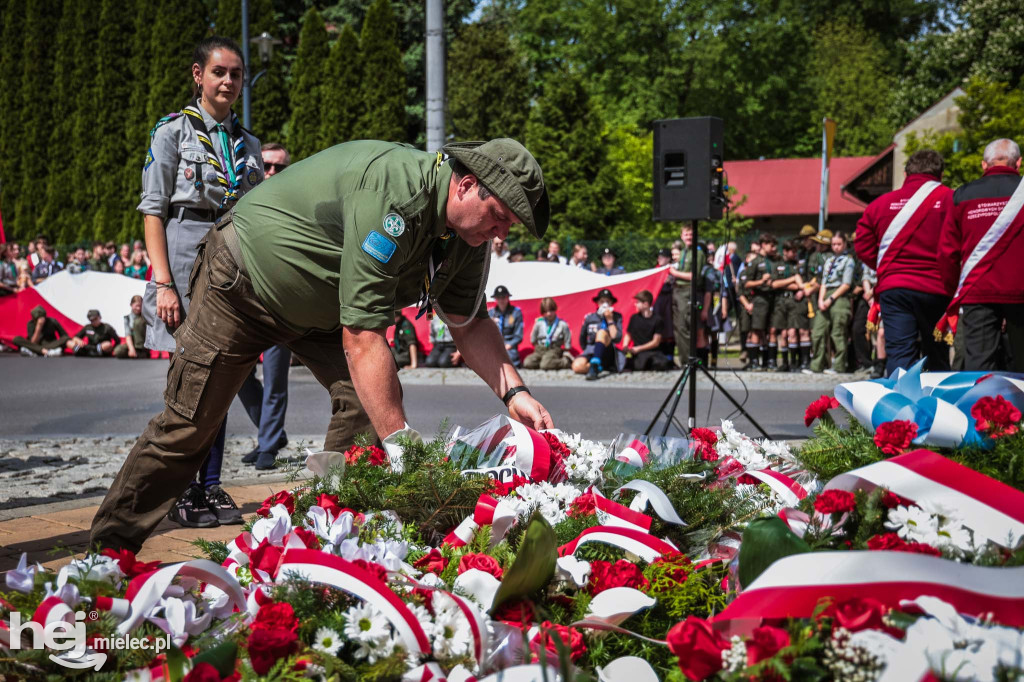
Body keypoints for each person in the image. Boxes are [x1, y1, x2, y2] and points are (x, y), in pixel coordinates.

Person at [90, 135, 552, 553]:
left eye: (509, 225)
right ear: (467, 185)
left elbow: (469, 326)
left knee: (362, 403)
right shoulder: (397, 195)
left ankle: (324, 538)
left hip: (320, 305)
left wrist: (516, 394)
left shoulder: (467, 237)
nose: (501, 234)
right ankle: (107, 553)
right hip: (244, 282)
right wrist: (402, 447)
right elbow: (362, 338)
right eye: (499, 218)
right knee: (190, 425)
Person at [133, 36, 264, 528]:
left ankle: (210, 484)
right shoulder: (171, 133)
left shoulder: (247, 144)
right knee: (188, 377)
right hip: (185, 248)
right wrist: (163, 282)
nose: (228, 81)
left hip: (232, 256)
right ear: (198, 75)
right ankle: (182, 489)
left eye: (235, 74)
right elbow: (152, 210)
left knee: (223, 375)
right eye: (218, 72)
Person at [855, 150, 952, 375]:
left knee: (899, 353)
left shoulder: (879, 205)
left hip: (895, 287)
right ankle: (939, 406)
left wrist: (887, 268)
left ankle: (902, 407)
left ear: (906, 172)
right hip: (936, 287)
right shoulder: (950, 199)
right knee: (937, 353)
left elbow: (862, 245)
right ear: (941, 174)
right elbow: (959, 246)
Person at [938, 138, 1024, 371]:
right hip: (1020, 290)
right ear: (1018, 163)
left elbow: (947, 252)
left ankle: (981, 407)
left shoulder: (962, 195)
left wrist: (953, 289)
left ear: (984, 165)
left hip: (977, 291)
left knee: (979, 365)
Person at [237, 142, 293, 472]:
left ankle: (268, 444)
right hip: (244, 302)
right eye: (266, 165)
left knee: (274, 380)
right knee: (240, 376)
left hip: (281, 303)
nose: (271, 172)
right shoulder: (244, 200)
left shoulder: (296, 204)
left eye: (279, 167)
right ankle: (272, 434)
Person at [809, 231, 855, 374]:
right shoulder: (828, 261)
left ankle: (839, 366)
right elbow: (823, 282)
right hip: (826, 295)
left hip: (839, 297)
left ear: (845, 244)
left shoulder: (849, 261)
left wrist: (830, 299)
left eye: (839, 244)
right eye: (833, 244)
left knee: (838, 333)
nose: (835, 247)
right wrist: (821, 300)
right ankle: (817, 365)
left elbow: (846, 284)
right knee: (818, 331)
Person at [741, 233, 777, 371]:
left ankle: (768, 361)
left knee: (770, 330)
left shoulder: (773, 261)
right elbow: (746, 283)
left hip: (772, 299)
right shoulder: (755, 262)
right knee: (756, 330)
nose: (773, 248)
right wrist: (761, 281)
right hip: (760, 299)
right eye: (771, 245)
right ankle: (754, 361)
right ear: (763, 245)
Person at [573, 288, 626, 380]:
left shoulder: (617, 317)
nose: (605, 304)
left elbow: (617, 338)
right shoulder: (590, 318)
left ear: (611, 303)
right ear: (597, 303)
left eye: (607, 301)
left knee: (601, 333)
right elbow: (582, 337)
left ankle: (595, 365)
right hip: (592, 350)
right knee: (577, 366)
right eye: (602, 301)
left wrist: (610, 320)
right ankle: (596, 366)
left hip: (608, 352)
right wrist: (586, 349)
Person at [669, 224, 703, 367]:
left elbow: (694, 276)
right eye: (686, 234)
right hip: (677, 291)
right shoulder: (682, 253)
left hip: (688, 291)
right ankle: (683, 360)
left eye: (691, 234)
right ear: (682, 236)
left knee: (685, 326)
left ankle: (689, 360)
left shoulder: (698, 253)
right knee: (677, 327)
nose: (688, 237)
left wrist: (675, 274)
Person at [770, 241, 803, 372]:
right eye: (792, 251)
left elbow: (800, 285)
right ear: (785, 251)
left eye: (796, 251)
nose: (795, 254)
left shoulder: (797, 265)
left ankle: (793, 363)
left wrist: (787, 283)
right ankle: (784, 362)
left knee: (792, 332)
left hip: (793, 301)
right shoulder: (777, 265)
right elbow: (774, 284)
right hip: (780, 301)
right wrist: (792, 279)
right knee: (782, 333)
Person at [624, 289, 670, 371]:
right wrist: (625, 346)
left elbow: (656, 342)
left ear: (645, 304)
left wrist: (639, 348)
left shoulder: (657, 319)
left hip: (652, 351)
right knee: (635, 363)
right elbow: (628, 334)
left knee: (661, 363)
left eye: (638, 302)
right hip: (638, 353)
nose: (635, 304)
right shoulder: (634, 318)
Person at [524, 297, 571, 370]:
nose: (549, 314)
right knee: (527, 362)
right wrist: (538, 346)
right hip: (540, 349)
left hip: (554, 349)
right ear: (543, 312)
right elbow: (533, 339)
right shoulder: (539, 323)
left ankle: (565, 362)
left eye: (551, 310)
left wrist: (565, 350)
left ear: (555, 309)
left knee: (545, 365)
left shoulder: (562, 324)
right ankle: (545, 361)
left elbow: (567, 342)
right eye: (546, 311)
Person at [490, 285, 524, 367]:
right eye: (498, 298)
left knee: (510, 361)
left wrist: (509, 345)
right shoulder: (491, 313)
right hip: (494, 345)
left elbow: (518, 336)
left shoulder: (516, 313)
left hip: (509, 347)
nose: (501, 300)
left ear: (508, 297)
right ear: (495, 299)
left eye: (503, 297)